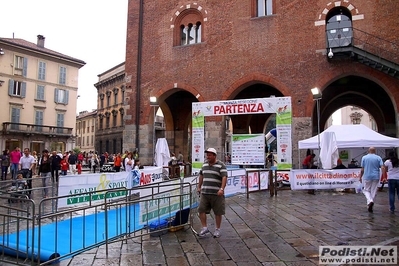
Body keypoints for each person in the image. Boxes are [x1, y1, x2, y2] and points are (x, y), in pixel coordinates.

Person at [197, 148, 228, 238]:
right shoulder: (204, 165)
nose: (208, 157)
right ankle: (204, 228)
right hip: (205, 192)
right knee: (201, 210)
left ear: (214, 155)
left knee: (218, 212)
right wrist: (199, 186)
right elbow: (201, 175)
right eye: (207, 155)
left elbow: (224, 177)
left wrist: (222, 189)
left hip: (216, 193)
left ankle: (217, 229)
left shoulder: (221, 165)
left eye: (210, 155)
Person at [360, 147, 383, 213]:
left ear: (368, 151)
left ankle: (370, 201)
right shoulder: (378, 157)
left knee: (366, 190)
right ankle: (370, 204)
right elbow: (382, 167)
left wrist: (360, 177)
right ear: (375, 151)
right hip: (376, 176)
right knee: (373, 191)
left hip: (367, 176)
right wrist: (384, 176)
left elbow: (362, 169)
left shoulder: (364, 157)